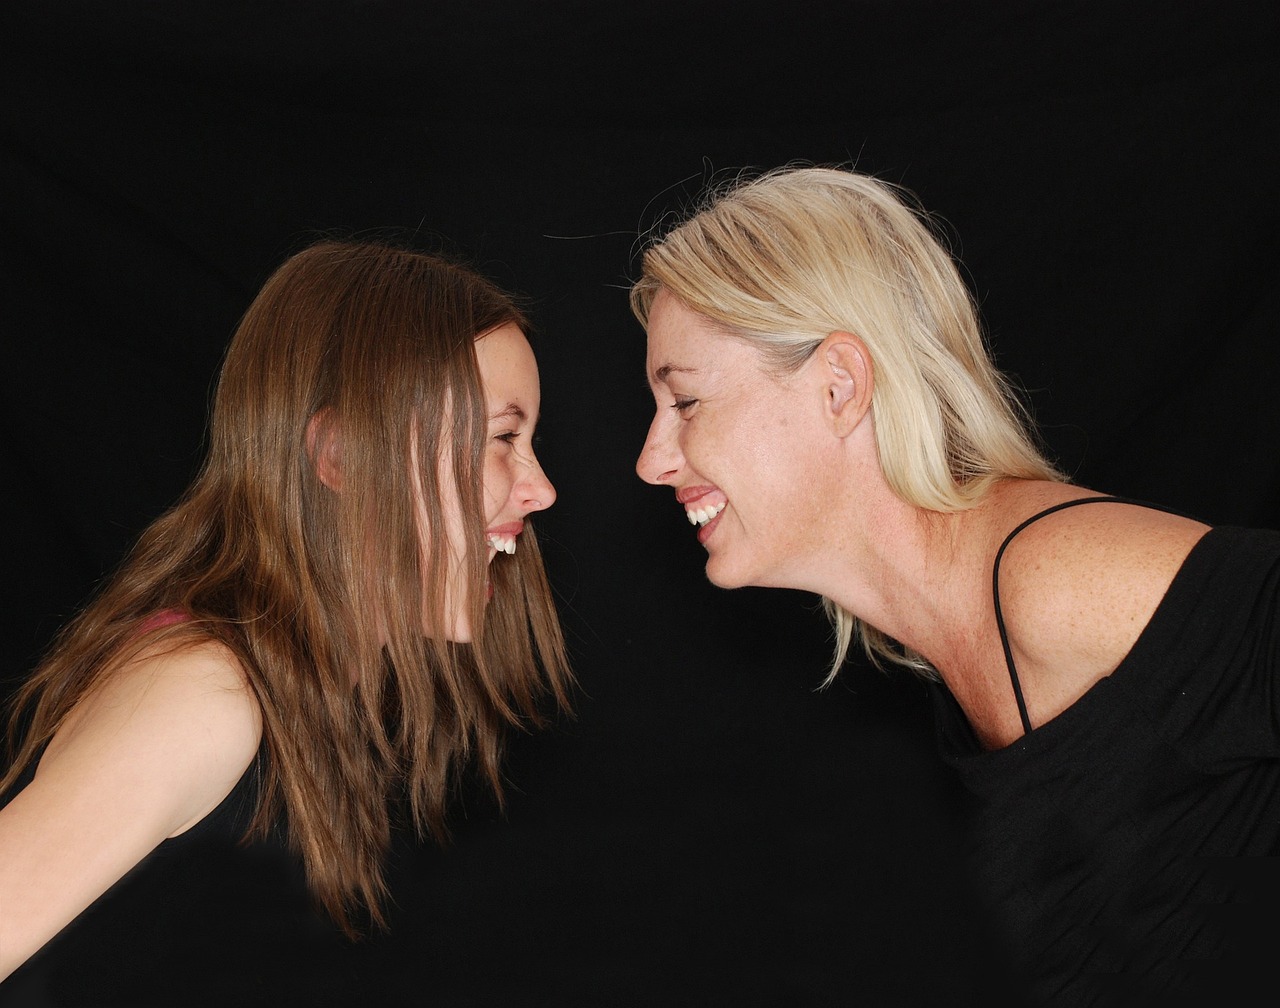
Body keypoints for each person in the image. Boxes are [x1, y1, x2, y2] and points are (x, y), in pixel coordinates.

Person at [631, 166, 1280, 1005]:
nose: (652, 459)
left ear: (839, 385)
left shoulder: (1055, 576)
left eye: (683, 402)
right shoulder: (941, 650)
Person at [0, 239, 572, 988]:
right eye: (502, 438)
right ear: (338, 454)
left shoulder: (318, 688)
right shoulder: (201, 694)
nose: (540, 488)